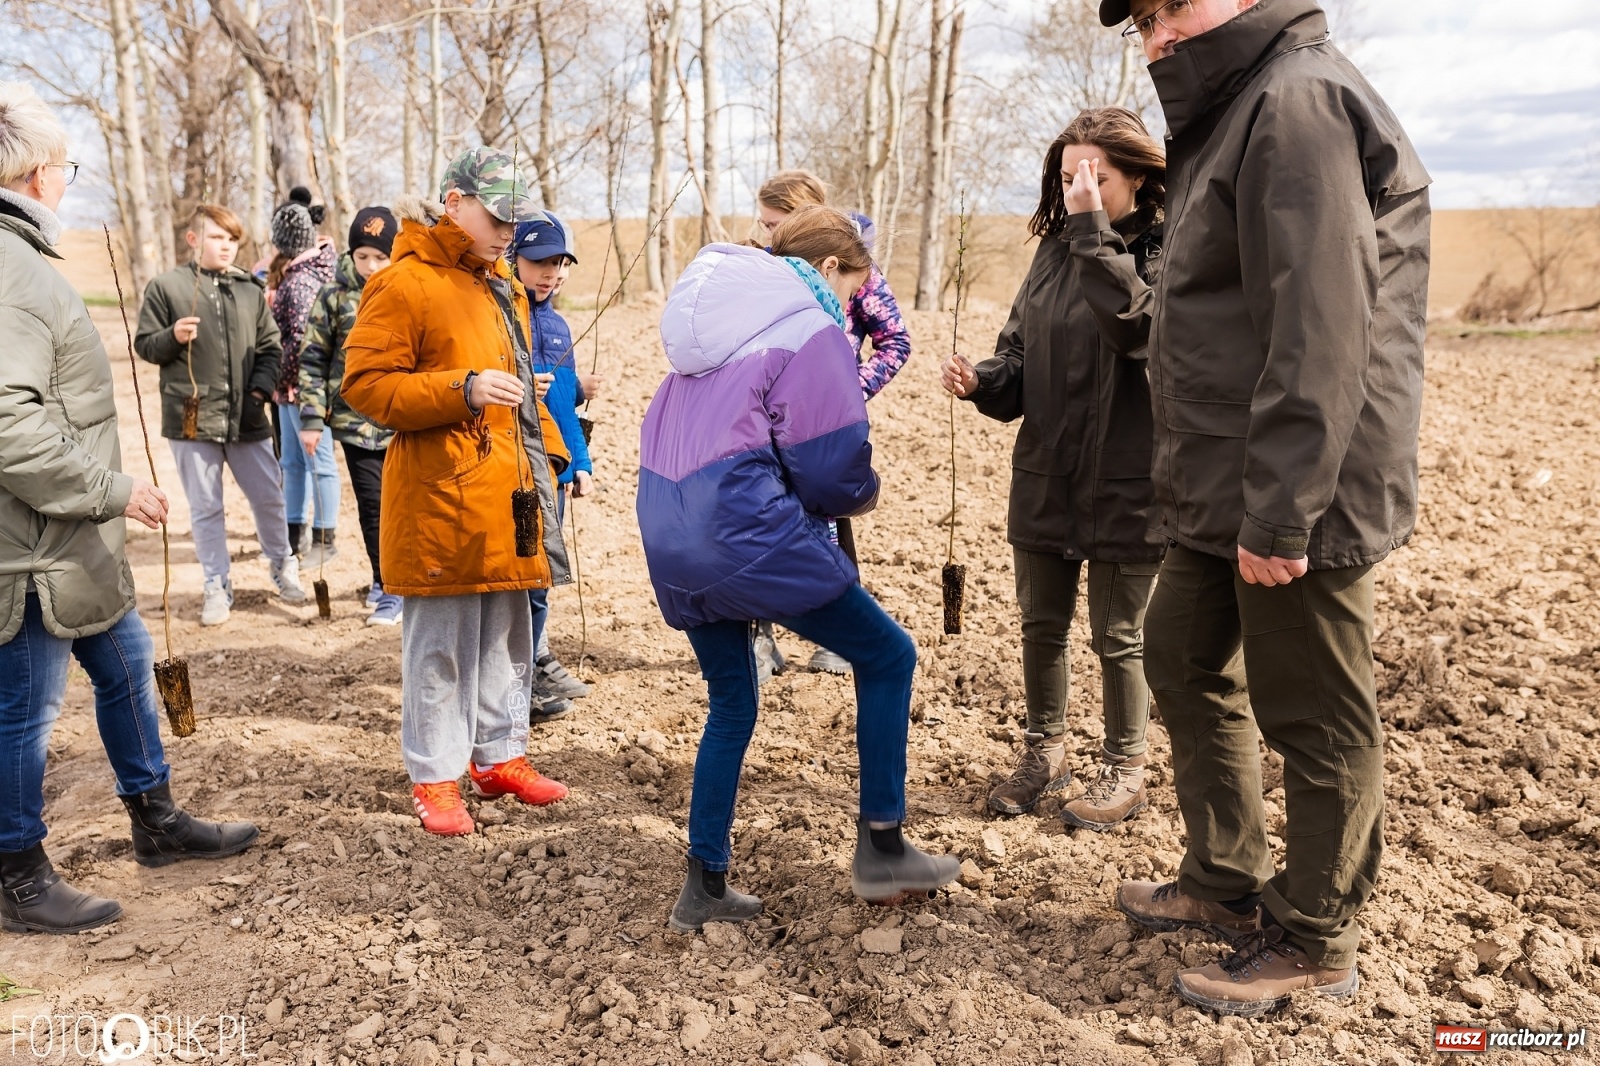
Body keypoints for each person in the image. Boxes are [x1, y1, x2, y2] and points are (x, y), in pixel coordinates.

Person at [1099, 0, 1431, 1017]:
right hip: (1226, 478)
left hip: (1296, 487)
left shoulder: (1294, 104)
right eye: (1139, 19)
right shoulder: (1236, 109)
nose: (1154, 34)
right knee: (1181, 656)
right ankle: (1225, 877)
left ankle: (1316, 938)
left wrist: (1284, 510)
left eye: (1168, 7)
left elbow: (1320, 321)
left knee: (1313, 708)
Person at [638, 205, 960, 933]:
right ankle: (882, 847)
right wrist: (862, 495)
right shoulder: (807, 328)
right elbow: (830, 463)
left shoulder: (708, 335)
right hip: (750, 537)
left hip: (674, 535)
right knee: (888, 655)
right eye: (852, 290)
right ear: (827, 271)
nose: (848, 308)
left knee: (732, 702)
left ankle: (705, 884)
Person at [0, 81, 257, 934]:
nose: (69, 183)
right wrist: (112, 488)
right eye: (67, 167)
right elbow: (8, 424)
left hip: (77, 548)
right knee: (25, 715)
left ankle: (157, 821)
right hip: (31, 556)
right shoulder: (10, 273)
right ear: (38, 173)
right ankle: (19, 872)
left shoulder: (24, 264)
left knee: (127, 671)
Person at [941, 107, 1165, 829]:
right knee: (1041, 624)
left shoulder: (1167, 249)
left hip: (1132, 478)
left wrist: (1094, 232)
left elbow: (1139, 330)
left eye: (1095, 178)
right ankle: (1045, 752)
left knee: (1118, 635)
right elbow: (1021, 358)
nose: (1079, 191)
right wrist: (984, 380)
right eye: (1069, 177)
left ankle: (1125, 767)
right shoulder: (1052, 254)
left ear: (1136, 177)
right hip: (1048, 470)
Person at [342, 147, 573, 837]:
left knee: (507, 629)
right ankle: (436, 776)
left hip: (507, 489)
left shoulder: (500, 282)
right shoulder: (402, 284)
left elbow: (508, 374)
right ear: (453, 202)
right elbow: (366, 386)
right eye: (495, 216)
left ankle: (499, 755)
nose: (506, 232)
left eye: (514, 218)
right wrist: (462, 389)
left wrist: (547, 446)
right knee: (439, 640)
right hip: (442, 494)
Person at [752, 170, 913, 678]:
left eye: (773, 224)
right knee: (763, 517)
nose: (766, 236)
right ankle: (760, 635)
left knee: (828, 517)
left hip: (827, 418)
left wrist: (853, 391)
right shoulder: (767, 266)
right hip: (773, 414)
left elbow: (895, 341)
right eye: (763, 225)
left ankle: (839, 636)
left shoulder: (853, 267)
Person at [136, 204, 305, 626]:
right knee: (206, 506)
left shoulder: (250, 289)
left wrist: (259, 392)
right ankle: (216, 583)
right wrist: (172, 337)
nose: (226, 247)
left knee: (269, 496)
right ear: (194, 240)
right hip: (191, 419)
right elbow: (144, 345)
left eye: (232, 240)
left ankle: (283, 565)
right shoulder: (166, 287)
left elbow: (271, 347)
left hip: (246, 416)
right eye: (217, 237)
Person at [297, 205, 402, 625]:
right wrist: (310, 417)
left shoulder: (408, 290)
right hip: (356, 424)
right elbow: (313, 358)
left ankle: (410, 582)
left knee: (406, 507)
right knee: (373, 507)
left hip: (405, 421)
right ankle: (385, 584)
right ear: (351, 254)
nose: (371, 266)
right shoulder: (334, 295)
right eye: (363, 257)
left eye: (381, 257)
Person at [511, 213, 594, 719]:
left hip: (555, 471)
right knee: (519, 571)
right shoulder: (502, 314)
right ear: (513, 258)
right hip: (515, 468)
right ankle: (519, 675)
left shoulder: (558, 324)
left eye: (560, 262)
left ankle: (536, 658)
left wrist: (580, 462)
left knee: (542, 571)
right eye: (540, 261)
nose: (551, 272)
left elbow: (565, 406)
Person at [268, 195, 339, 566]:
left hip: (303, 389)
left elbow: (300, 339)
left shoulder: (301, 282)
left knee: (319, 462)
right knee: (292, 463)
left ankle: (325, 537)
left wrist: (296, 387)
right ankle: (293, 532)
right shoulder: (303, 274)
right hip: (287, 389)